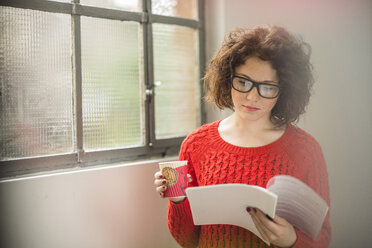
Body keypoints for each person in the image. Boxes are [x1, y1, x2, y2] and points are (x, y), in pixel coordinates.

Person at [154, 25, 331, 248]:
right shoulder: (196, 145)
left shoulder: (305, 150)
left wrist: (291, 240)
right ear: (228, 80)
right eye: (244, 82)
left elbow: (322, 237)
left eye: (266, 87)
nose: (252, 97)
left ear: (284, 90)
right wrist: (177, 199)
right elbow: (187, 240)